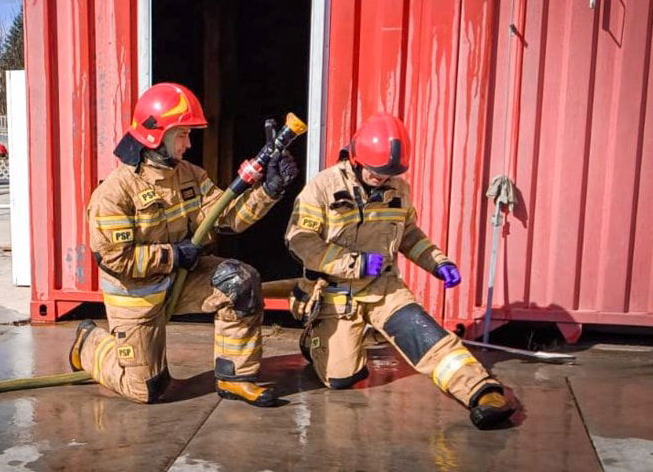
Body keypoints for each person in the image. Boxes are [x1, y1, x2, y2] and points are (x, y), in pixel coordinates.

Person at [68, 82, 298, 407]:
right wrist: (173, 255)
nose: (188, 144)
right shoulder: (114, 193)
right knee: (148, 390)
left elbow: (226, 217)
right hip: (138, 295)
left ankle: (235, 378)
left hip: (181, 280)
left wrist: (269, 191)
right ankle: (89, 343)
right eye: (182, 135)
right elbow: (115, 260)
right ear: (155, 136)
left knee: (240, 281)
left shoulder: (190, 175)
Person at [285, 112, 515, 430]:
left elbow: (409, 235)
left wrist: (438, 262)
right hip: (337, 292)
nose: (381, 179)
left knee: (425, 334)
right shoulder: (323, 187)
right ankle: (315, 339)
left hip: (384, 286)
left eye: (388, 174)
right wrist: (353, 262)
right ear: (356, 158)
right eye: (376, 172)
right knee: (341, 379)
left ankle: (481, 392)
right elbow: (300, 240)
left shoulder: (399, 189)